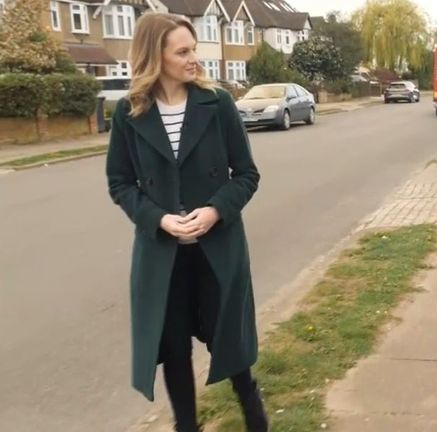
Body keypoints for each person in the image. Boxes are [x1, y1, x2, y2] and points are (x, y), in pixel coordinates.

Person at [106, 13, 267, 432]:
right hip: (163, 258)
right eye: (183, 51)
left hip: (218, 252)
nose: (194, 58)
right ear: (154, 55)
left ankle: (255, 415)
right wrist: (158, 219)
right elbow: (120, 183)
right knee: (173, 349)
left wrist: (215, 210)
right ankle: (186, 427)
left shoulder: (219, 105)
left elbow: (247, 175)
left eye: (194, 48)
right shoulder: (129, 113)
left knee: (231, 342)